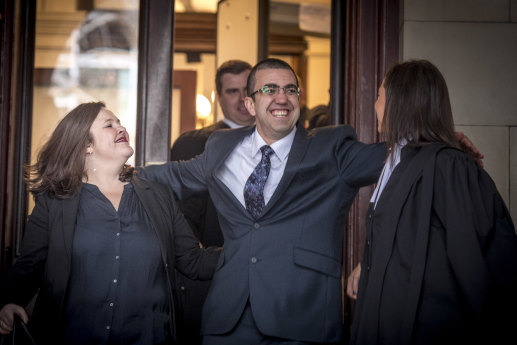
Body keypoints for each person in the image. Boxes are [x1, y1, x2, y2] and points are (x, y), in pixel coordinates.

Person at [139, 58, 481, 345]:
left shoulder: (332, 148)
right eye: (269, 89)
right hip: (226, 323)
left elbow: (399, 155)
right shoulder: (220, 147)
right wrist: (112, 171)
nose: (281, 97)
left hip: (302, 320)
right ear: (249, 103)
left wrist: (443, 143)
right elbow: (170, 177)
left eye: (290, 89)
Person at [0, 102, 219, 345]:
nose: (121, 127)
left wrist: (253, 250)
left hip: (150, 337)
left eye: (119, 122)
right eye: (109, 125)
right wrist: (10, 300)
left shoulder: (158, 195)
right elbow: (30, 265)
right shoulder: (55, 202)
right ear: (86, 145)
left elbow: (194, 261)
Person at [346, 60, 517, 345]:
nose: (374, 105)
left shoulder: (450, 167)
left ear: (399, 102)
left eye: (379, 95)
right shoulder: (396, 161)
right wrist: (369, 261)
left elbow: (476, 261)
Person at [170, 60, 253, 345]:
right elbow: (182, 211)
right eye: (233, 92)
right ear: (218, 97)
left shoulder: (283, 142)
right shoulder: (193, 144)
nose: (242, 99)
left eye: (247, 90)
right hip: (214, 273)